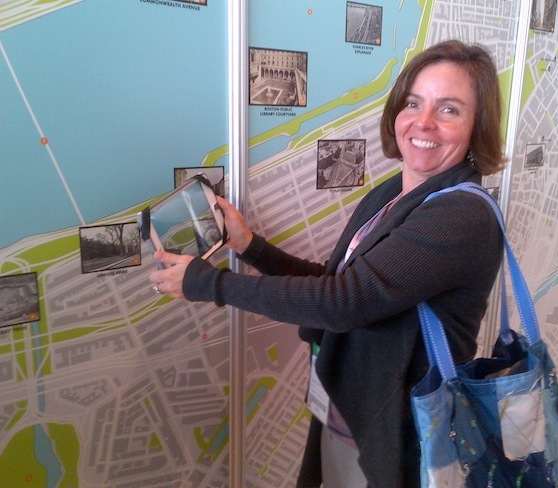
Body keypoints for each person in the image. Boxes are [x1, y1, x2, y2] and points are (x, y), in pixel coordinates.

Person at [149, 39, 506, 487]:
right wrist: (249, 246)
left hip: (399, 431)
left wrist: (207, 284)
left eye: (449, 109)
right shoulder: (394, 192)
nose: (423, 121)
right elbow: (338, 282)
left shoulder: (462, 215)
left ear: (477, 126)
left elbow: (343, 302)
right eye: (414, 103)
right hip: (352, 407)